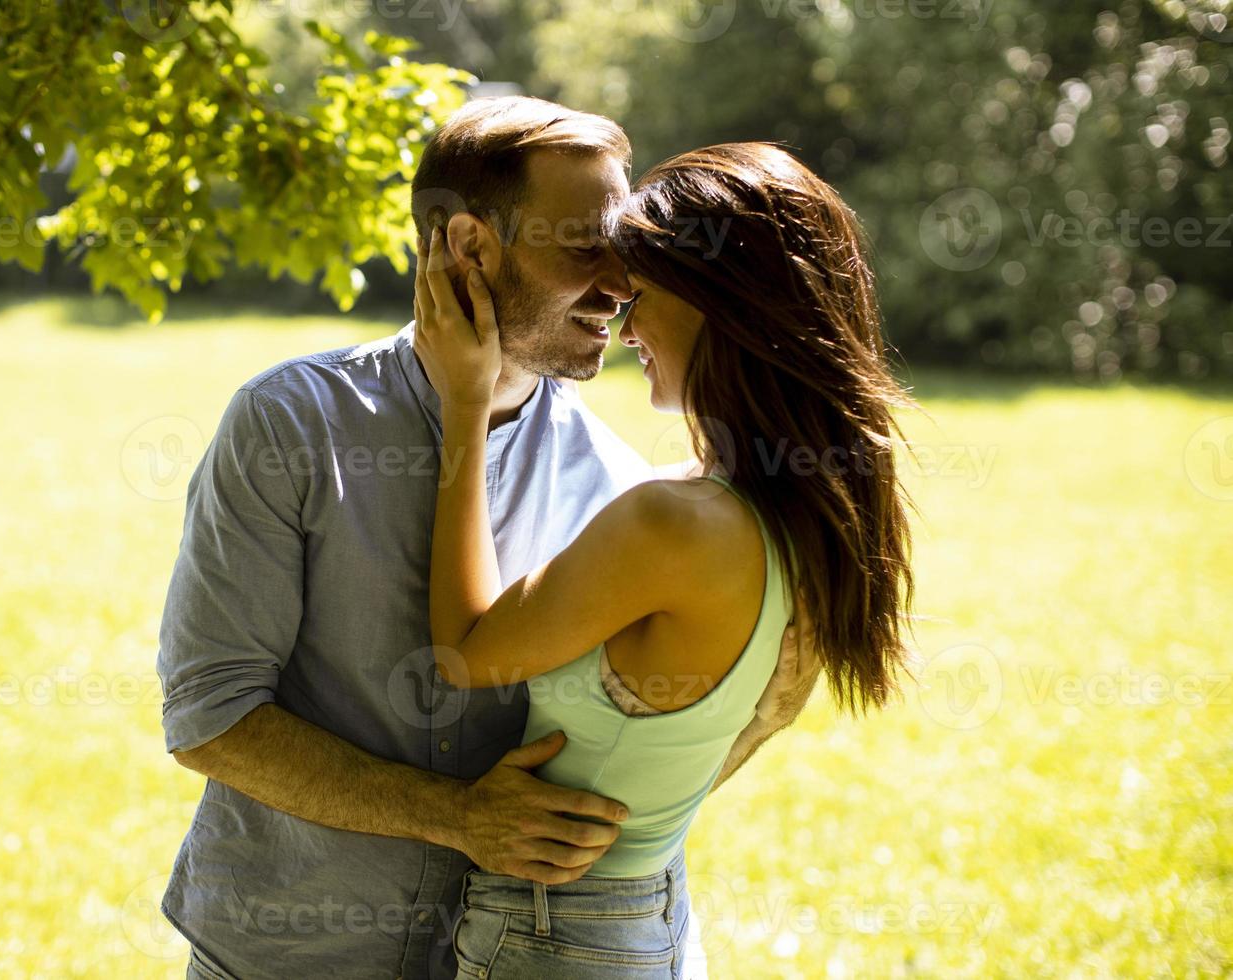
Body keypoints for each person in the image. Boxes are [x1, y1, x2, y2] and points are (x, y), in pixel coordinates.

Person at [155, 98, 820, 980]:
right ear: (469, 247)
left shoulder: (623, 487)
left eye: (624, 251)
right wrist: (455, 815)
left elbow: (744, 701)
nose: (622, 286)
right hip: (282, 955)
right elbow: (212, 718)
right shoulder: (289, 425)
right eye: (586, 247)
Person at [410, 140, 917, 978]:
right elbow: (761, 715)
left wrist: (465, 403)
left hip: (558, 933)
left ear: (724, 302)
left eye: (643, 296)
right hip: (652, 908)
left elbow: (464, 649)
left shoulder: (673, 524)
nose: (627, 324)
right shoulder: (816, 517)